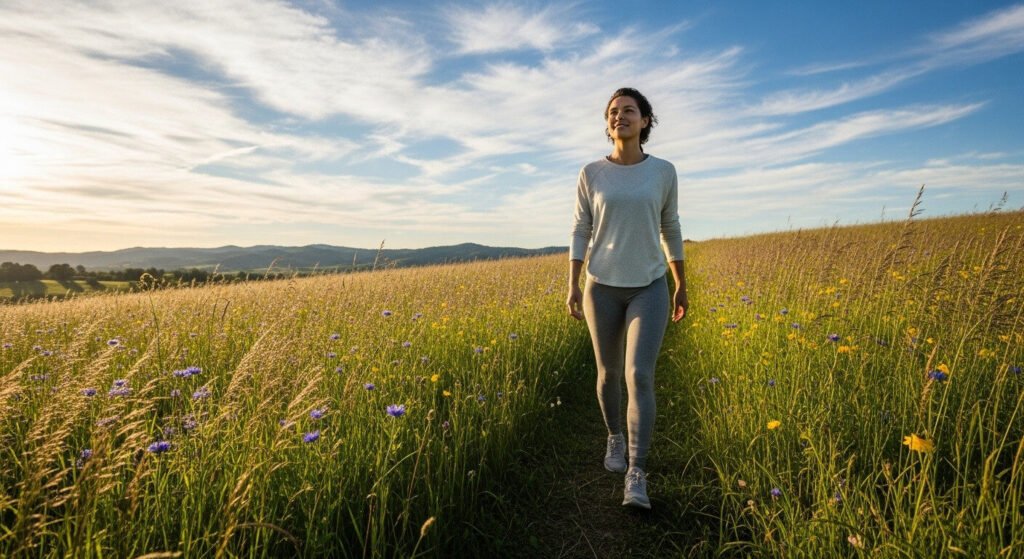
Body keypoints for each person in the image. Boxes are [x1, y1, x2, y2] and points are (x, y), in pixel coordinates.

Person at [566, 87, 688, 509]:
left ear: (645, 121)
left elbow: (670, 226)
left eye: (629, 111)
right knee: (608, 374)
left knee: (638, 374)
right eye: (613, 112)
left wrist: (681, 283)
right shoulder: (591, 173)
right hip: (600, 286)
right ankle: (614, 437)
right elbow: (581, 228)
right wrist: (573, 283)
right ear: (607, 124)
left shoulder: (663, 172)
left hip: (649, 286)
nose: (620, 116)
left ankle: (637, 471)